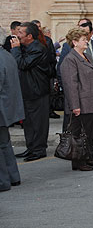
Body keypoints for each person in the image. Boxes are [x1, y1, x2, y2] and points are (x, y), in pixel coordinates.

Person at [59, 27, 93, 171]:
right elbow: (71, 85)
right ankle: (79, 161)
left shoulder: (86, 56)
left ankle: (89, 158)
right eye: (84, 39)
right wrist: (75, 105)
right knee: (79, 134)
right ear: (75, 42)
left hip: (91, 101)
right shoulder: (70, 60)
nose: (86, 41)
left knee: (89, 132)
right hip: (81, 103)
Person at [10, 22, 51, 162]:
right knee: (28, 123)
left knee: (38, 123)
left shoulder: (38, 49)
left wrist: (15, 49)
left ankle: (39, 150)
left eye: (21, 33)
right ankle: (31, 147)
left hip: (38, 92)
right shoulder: (25, 47)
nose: (17, 35)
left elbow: (22, 64)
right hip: (26, 91)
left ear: (29, 36)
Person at [0, 32, 24, 192]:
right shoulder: (7, 55)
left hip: (2, 108)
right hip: (7, 108)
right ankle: (13, 176)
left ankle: (3, 181)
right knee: (4, 144)